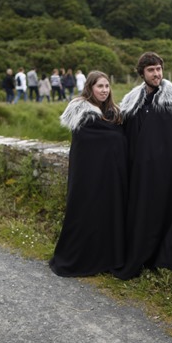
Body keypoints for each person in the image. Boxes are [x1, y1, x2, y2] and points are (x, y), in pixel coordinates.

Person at [113, 52, 172, 280]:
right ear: (142, 74)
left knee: (165, 215)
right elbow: (124, 136)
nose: (156, 74)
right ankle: (141, 257)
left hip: (165, 176)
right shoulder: (132, 102)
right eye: (151, 70)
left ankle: (164, 261)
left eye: (159, 69)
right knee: (140, 216)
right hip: (139, 175)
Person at [50, 71, 127, 277]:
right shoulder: (82, 114)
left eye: (107, 86)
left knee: (108, 215)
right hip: (88, 178)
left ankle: (106, 258)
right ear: (90, 88)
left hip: (109, 178)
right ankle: (81, 259)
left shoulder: (114, 113)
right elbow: (90, 145)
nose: (104, 90)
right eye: (99, 86)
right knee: (86, 214)